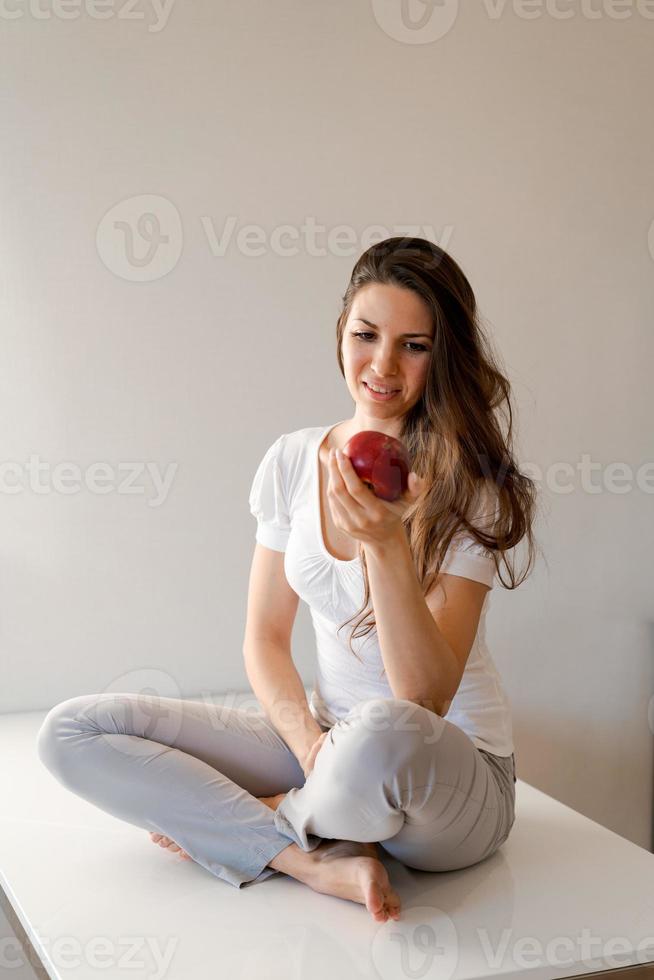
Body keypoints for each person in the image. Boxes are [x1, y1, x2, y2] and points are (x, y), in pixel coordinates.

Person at [36, 237, 538, 924]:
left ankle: (272, 821)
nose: (383, 365)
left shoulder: (465, 486)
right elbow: (265, 641)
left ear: (441, 356)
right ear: (341, 334)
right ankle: (301, 856)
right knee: (74, 732)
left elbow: (423, 698)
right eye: (366, 335)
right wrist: (308, 744)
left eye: (414, 345)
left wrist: (387, 543)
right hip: (331, 746)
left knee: (385, 728)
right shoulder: (293, 459)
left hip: (450, 777)